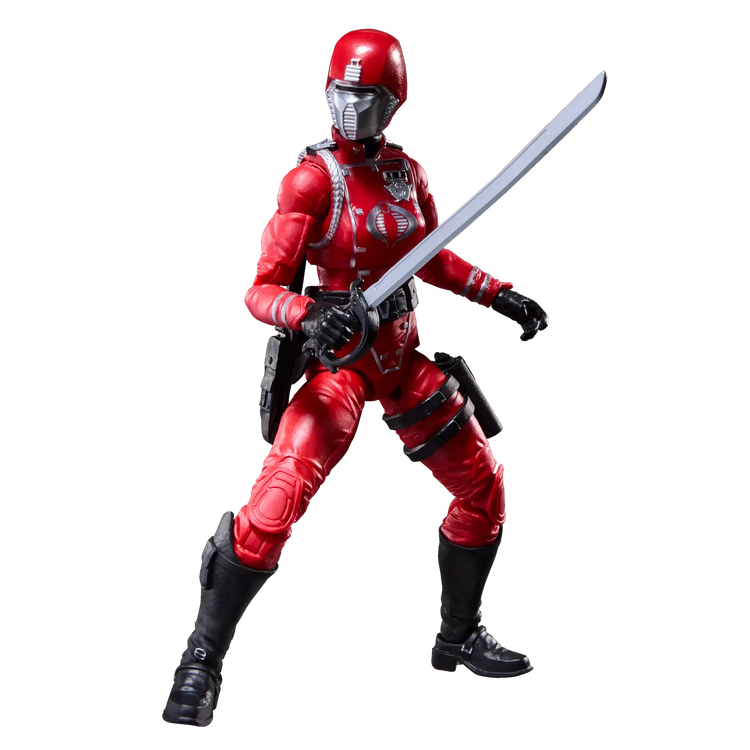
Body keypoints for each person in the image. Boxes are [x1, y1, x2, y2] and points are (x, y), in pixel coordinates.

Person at [161, 26, 550, 729]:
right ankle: (200, 659)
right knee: (273, 505)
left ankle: (458, 637)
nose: (349, 105)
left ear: (394, 102)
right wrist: (309, 314)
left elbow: (434, 259)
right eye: (340, 90)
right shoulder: (310, 179)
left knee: (484, 488)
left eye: (366, 94)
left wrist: (502, 295)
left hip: (406, 359)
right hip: (339, 368)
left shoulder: (408, 171)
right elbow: (257, 291)